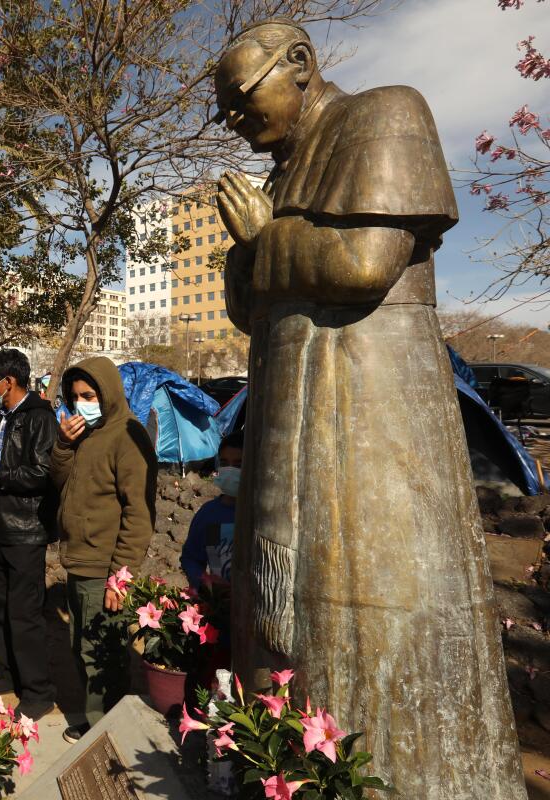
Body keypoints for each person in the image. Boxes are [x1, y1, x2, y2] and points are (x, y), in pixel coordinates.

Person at [216, 20, 523, 794]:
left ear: (301, 65)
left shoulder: (385, 114)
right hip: (287, 414)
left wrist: (265, 238)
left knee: (372, 601)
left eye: (242, 99)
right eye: (224, 111)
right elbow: (253, 313)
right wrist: (249, 252)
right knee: (288, 618)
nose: (234, 121)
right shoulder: (280, 179)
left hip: (370, 408)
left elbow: (363, 262)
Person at [50, 356, 156, 743]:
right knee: (82, 646)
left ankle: (105, 731)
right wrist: (64, 444)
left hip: (104, 567)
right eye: (75, 396)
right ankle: (97, 720)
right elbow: (61, 481)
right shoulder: (86, 435)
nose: (82, 403)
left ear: (108, 393)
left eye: (89, 395)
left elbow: (139, 512)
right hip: (79, 558)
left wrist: (120, 576)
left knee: (103, 654)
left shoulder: (127, 435)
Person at [0, 349, 58, 721]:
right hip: (2, 525)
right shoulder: (0, 418)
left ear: (9, 380)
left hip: (27, 530)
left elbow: (42, 473)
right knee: (1, 607)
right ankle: (9, 674)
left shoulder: (40, 418)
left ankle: (38, 692)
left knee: (25, 614)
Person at [180, 431, 242, 590]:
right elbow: (191, 558)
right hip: (220, 605)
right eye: (224, 463)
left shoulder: (263, 516)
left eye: (238, 464)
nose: (230, 470)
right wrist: (203, 583)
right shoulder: (209, 515)